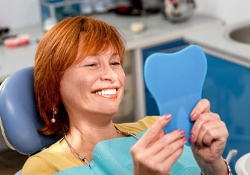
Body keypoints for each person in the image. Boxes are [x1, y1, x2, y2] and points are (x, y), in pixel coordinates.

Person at [21, 16, 230, 175]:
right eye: (92, 64)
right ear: (54, 85)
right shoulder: (44, 168)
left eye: (115, 63)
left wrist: (213, 165)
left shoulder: (157, 128)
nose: (112, 75)